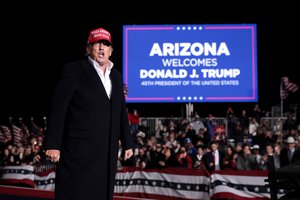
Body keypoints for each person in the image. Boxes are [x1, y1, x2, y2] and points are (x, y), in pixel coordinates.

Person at [43, 27, 134, 200]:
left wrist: (128, 141)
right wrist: (53, 143)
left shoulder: (116, 76)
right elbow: (58, 109)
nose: (101, 48)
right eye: (97, 43)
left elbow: (120, 109)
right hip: (78, 152)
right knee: (76, 193)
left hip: (107, 151)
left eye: (106, 44)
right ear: (88, 48)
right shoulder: (73, 71)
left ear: (111, 50)